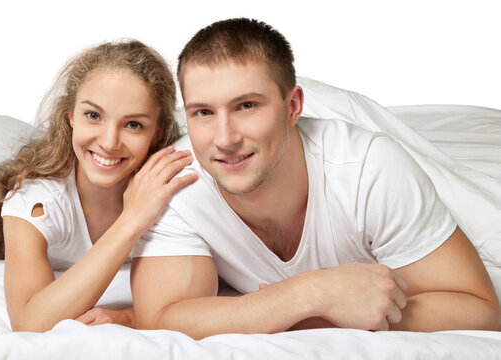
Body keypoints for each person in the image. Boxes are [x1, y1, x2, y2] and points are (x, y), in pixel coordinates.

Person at [130, 18, 500, 339]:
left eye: (247, 106)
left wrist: (310, 312)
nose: (224, 139)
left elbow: (480, 310)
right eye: (203, 112)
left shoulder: (367, 170)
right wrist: (308, 296)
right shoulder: (177, 181)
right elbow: (163, 318)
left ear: (293, 106)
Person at [0, 40, 197, 332]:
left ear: (158, 132)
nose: (108, 142)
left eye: (133, 125)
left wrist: (133, 316)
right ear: (70, 116)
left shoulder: (173, 188)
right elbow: (30, 323)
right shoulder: (35, 200)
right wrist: (131, 221)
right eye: (93, 116)